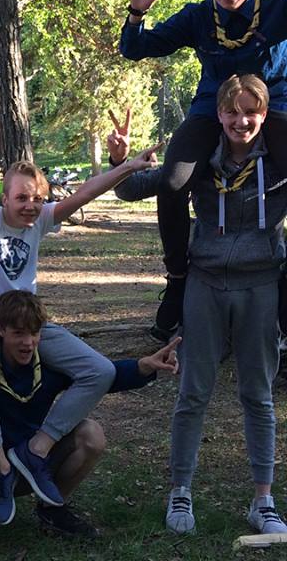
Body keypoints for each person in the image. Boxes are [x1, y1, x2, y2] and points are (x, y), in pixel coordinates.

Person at [0, 126, 158, 525]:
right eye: (22, 198)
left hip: (29, 323)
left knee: (99, 371)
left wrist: (129, 167)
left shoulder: (41, 221)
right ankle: (2, 464)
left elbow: (84, 194)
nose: (30, 205)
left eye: (37, 198)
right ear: (5, 197)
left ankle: (37, 450)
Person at [111, 74, 287, 536]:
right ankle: (181, 490)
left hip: (261, 285)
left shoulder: (280, 159)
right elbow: (137, 189)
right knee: (193, 391)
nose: (241, 121)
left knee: (258, 394)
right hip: (205, 283)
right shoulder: (198, 158)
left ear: (264, 115)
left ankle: (263, 500)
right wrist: (121, 161)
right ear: (219, 114)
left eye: (251, 112)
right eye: (232, 112)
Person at [0, 294, 179, 548]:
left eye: (34, 333)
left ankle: (52, 510)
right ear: (1, 331)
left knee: (92, 434)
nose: (27, 342)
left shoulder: (49, 366)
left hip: (35, 467)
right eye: (18, 333)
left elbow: (105, 376)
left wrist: (144, 366)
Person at [120, 0, 287, 341]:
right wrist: (137, 13)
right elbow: (134, 48)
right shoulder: (198, 16)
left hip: (274, 107)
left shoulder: (279, 4)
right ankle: (178, 279)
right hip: (214, 109)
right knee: (172, 182)